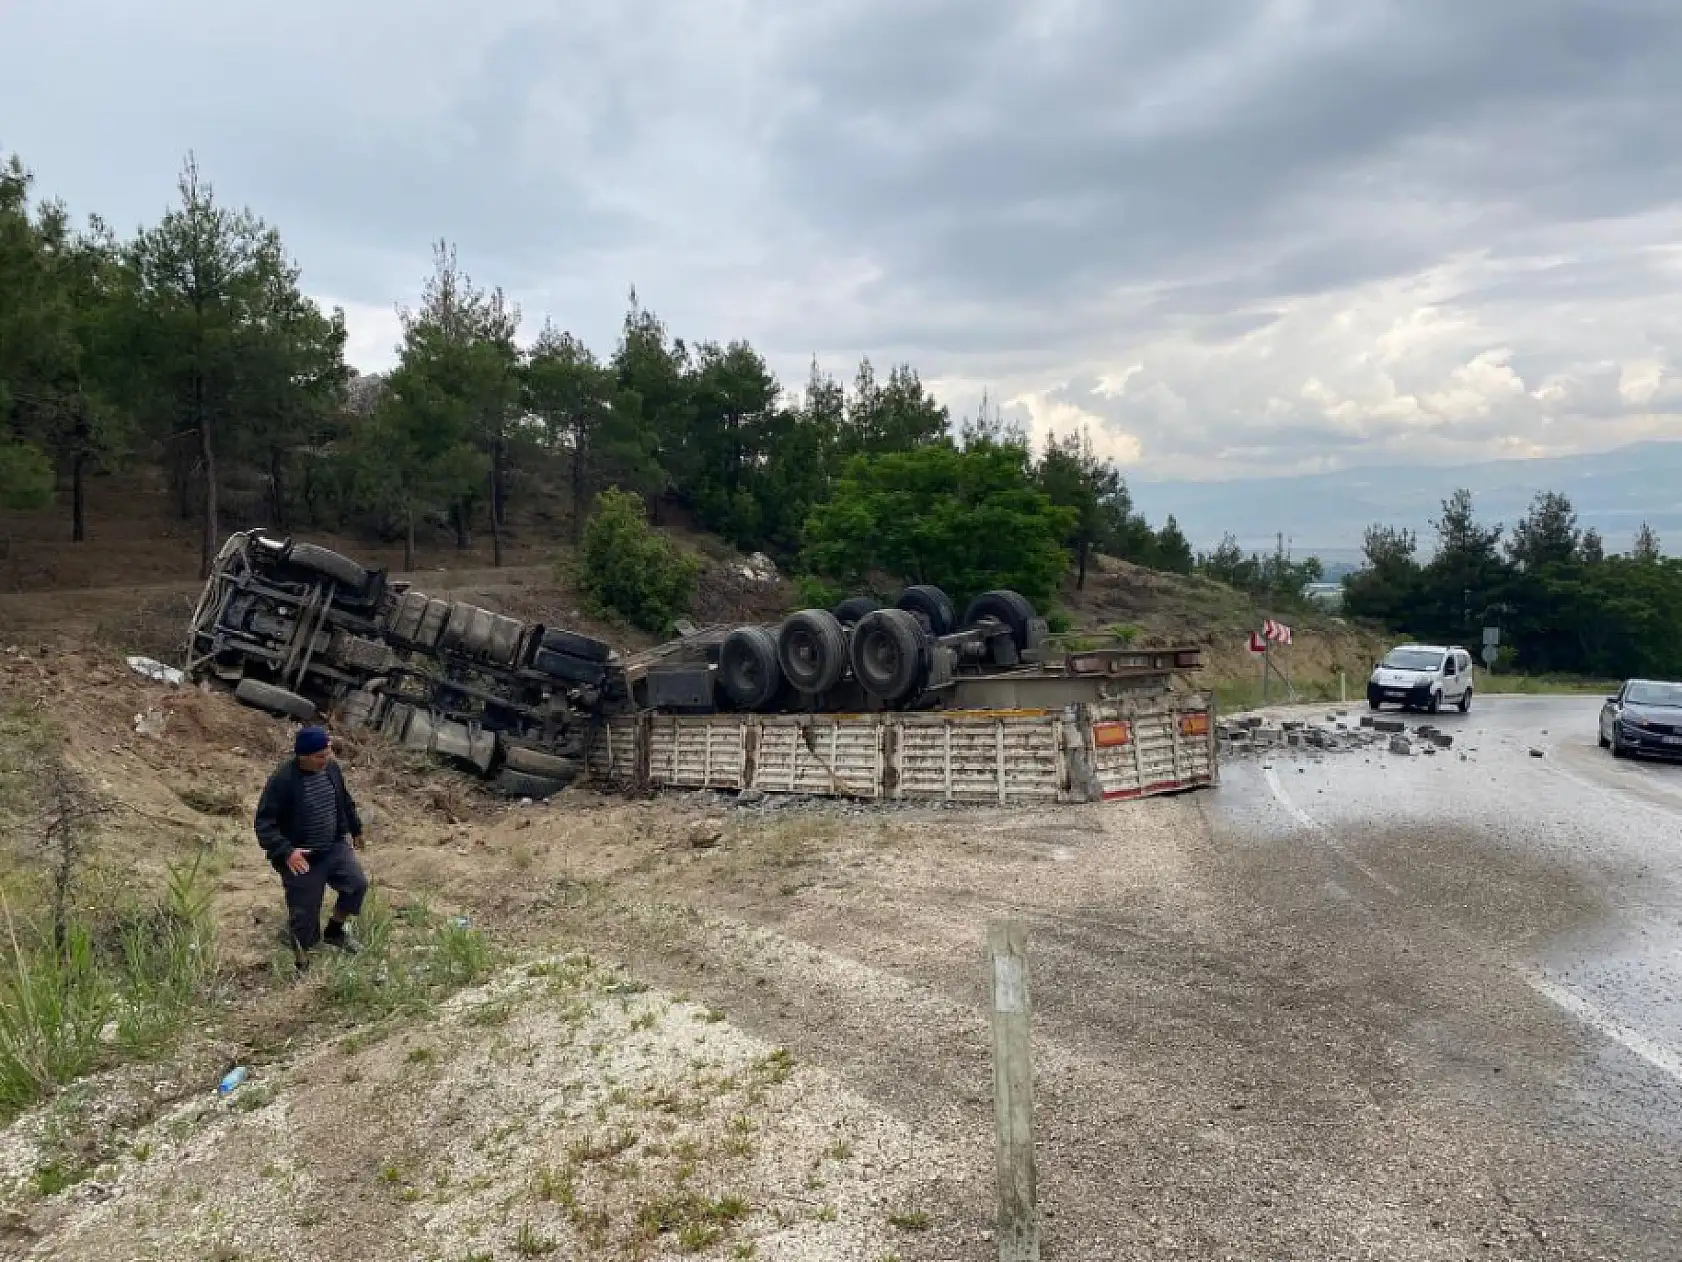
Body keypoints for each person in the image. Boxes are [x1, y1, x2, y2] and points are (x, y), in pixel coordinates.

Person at [254, 725, 368, 967]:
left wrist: (355, 829)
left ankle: (335, 932)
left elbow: (344, 800)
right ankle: (301, 964)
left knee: (356, 885)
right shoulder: (283, 780)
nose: (325, 760)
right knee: (304, 914)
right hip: (302, 856)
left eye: (327, 753)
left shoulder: (331, 769)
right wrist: (287, 852)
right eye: (319, 756)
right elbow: (264, 823)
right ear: (302, 756)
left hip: (334, 846)